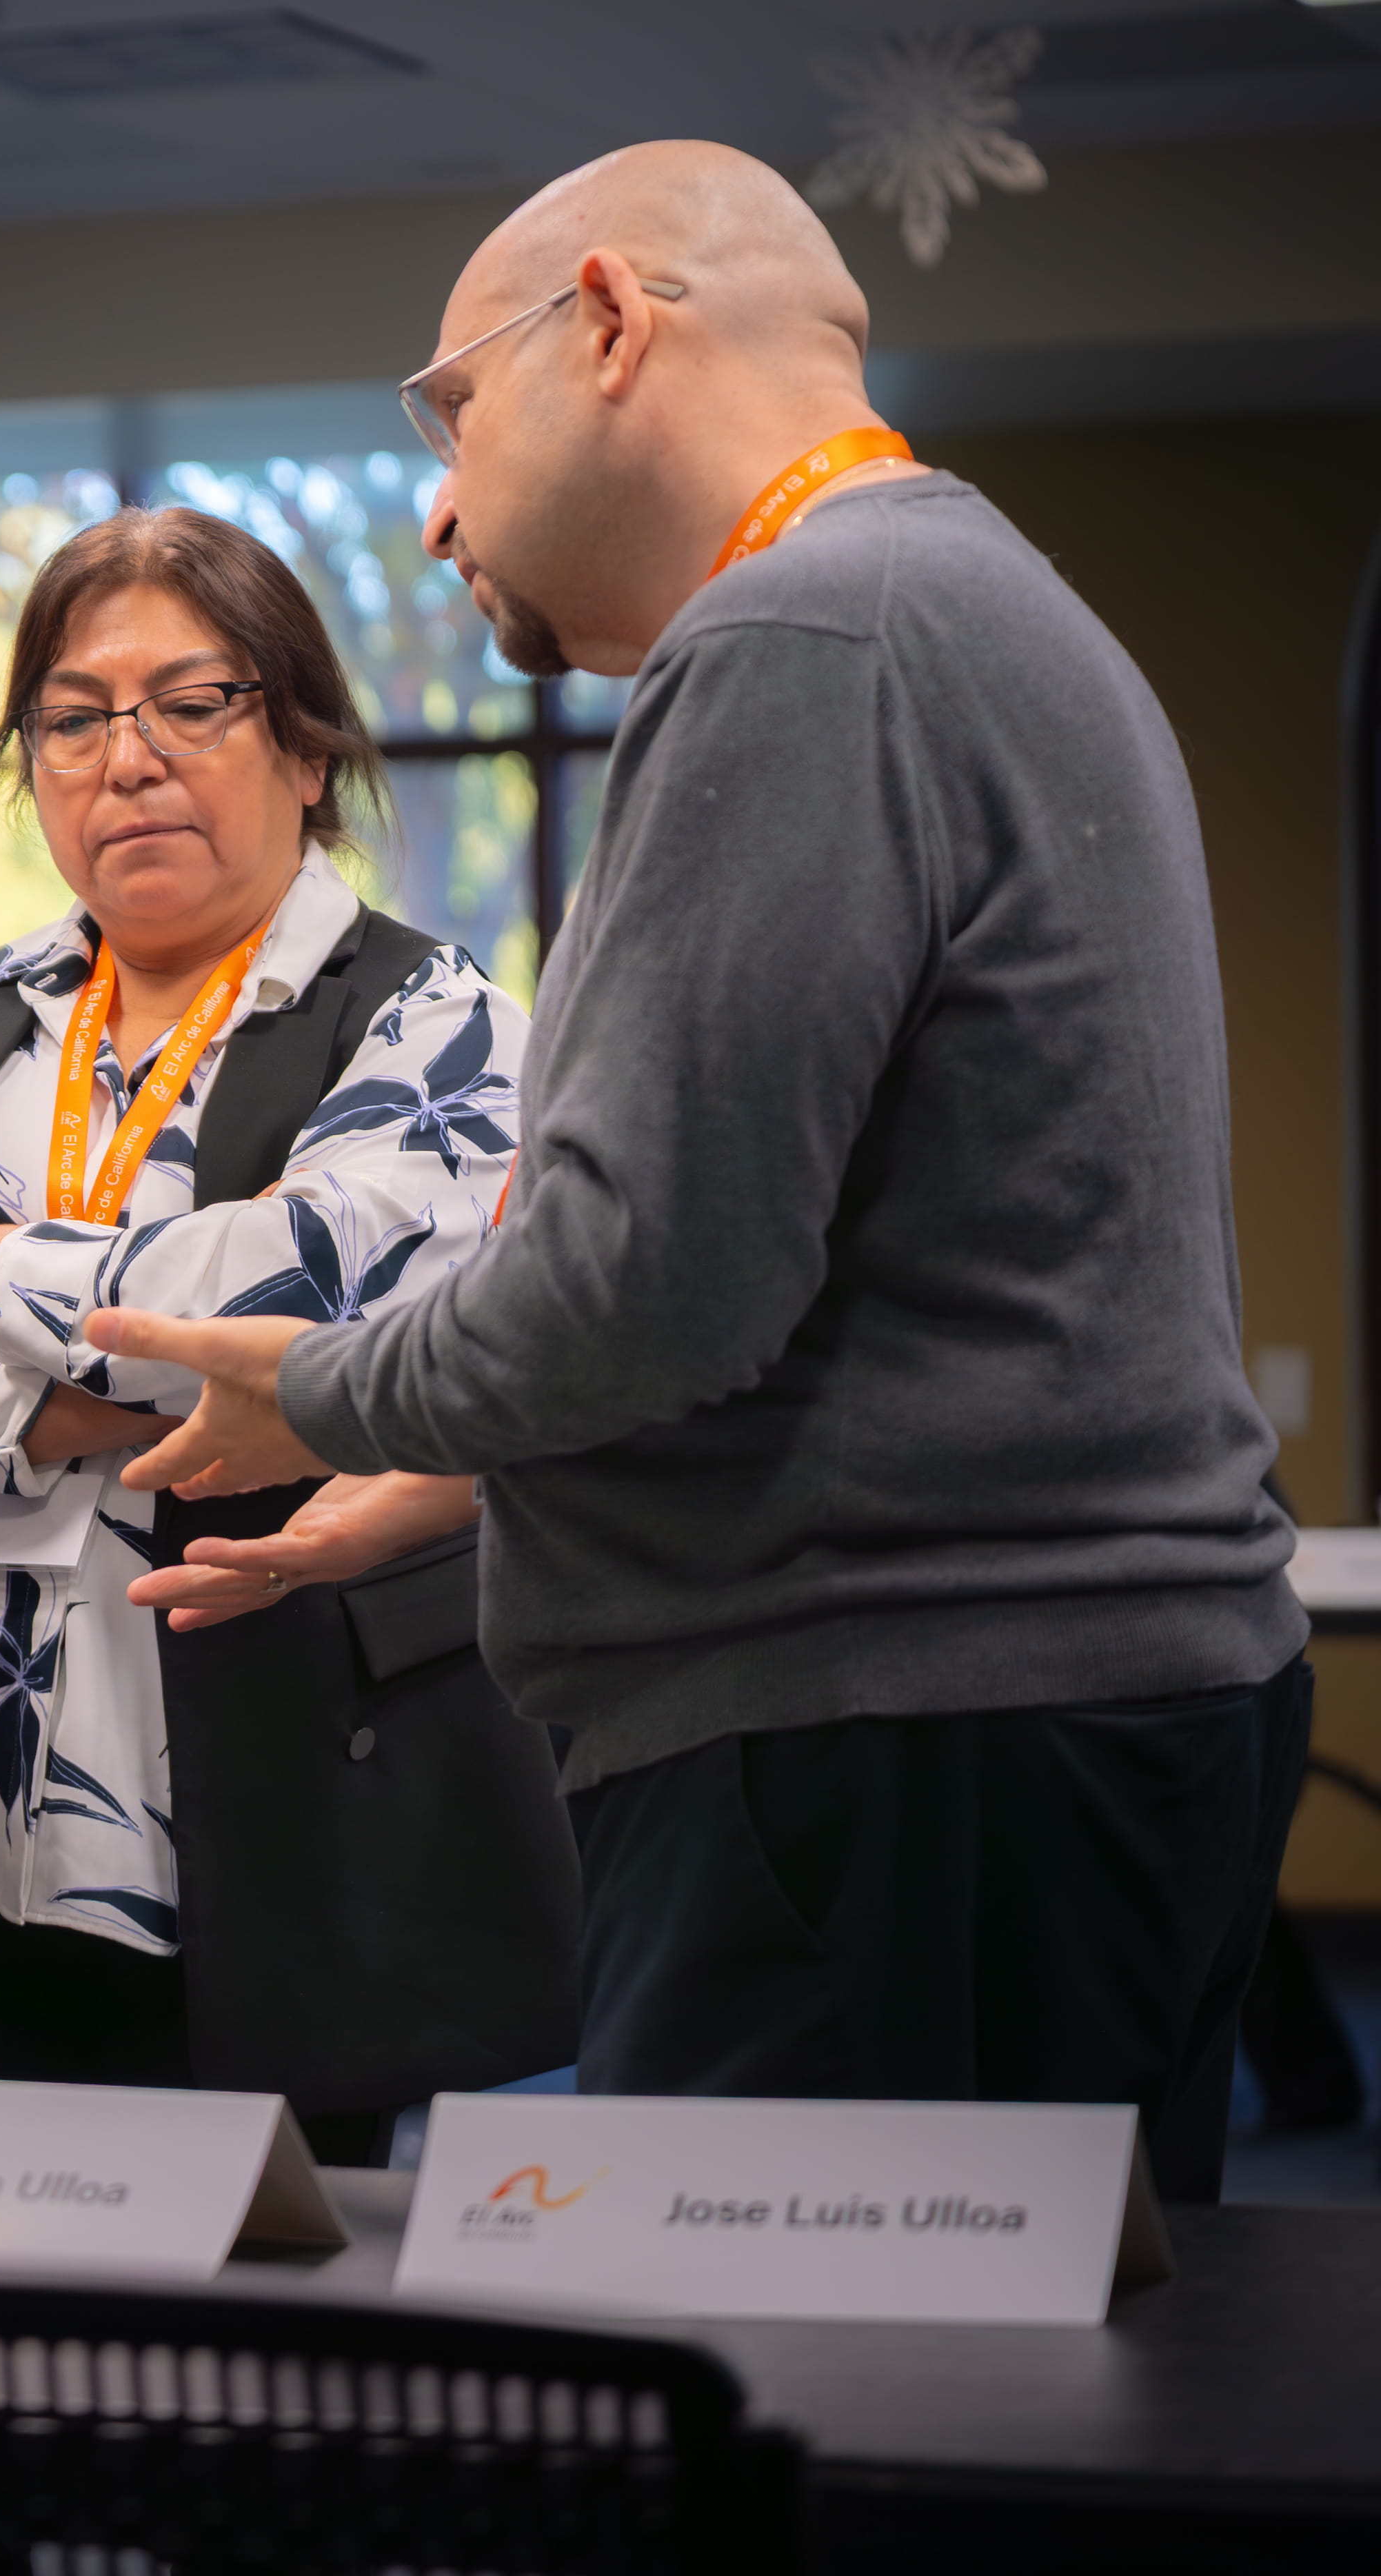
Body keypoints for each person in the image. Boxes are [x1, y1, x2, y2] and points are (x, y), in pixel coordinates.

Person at [97, 140, 1309, 2200]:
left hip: (885, 1769)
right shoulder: (985, 603)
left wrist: (305, 1386)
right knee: (1036, 2442)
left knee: (835, 2465)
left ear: (607, 321)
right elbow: (833, 1270)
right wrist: (411, 1485)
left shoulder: (804, 642)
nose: (442, 502)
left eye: (455, 411)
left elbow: (649, 1288)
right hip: (1055, 1735)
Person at [0, 508, 576, 2157]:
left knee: (284, 2326)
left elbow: (312, 1293)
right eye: (75, 718)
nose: (126, 758)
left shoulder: (436, 1017)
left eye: (191, 703)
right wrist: (85, 1410)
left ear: (302, 742)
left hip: (288, 1789)